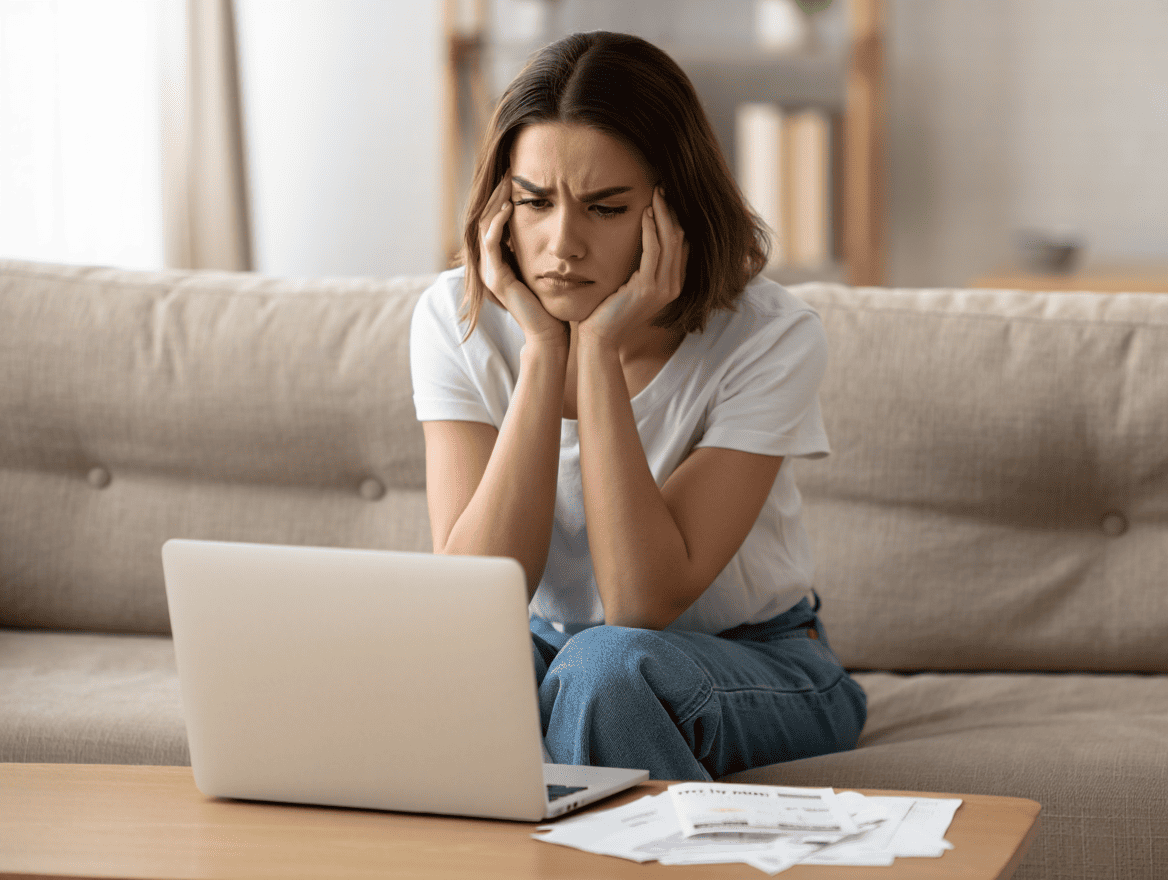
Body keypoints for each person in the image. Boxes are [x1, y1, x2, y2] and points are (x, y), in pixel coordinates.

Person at [410, 30, 866, 781]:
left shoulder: (769, 337)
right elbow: (473, 599)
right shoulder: (453, 319)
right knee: (426, 664)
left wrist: (593, 350)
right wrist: (542, 351)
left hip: (758, 658)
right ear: (500, 206)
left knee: (605, 671)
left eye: (606, 208)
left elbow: (640, 600)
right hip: (552, 648)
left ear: (672, 213)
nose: (562, 244)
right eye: (535, 202)